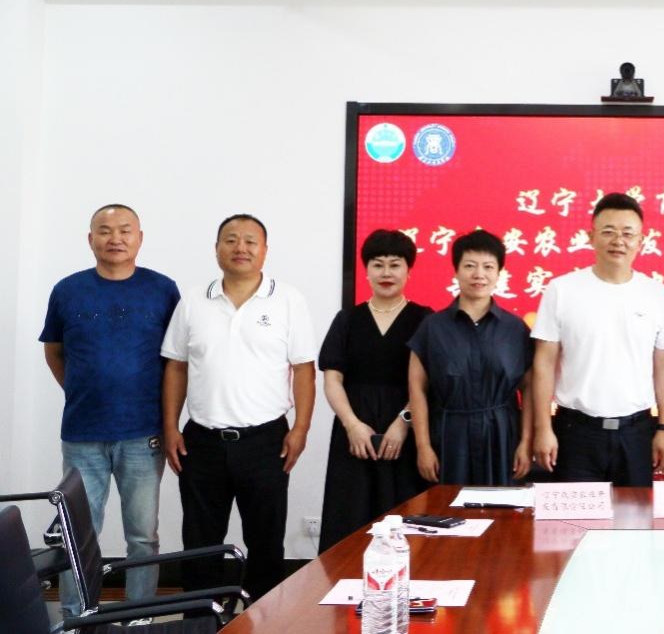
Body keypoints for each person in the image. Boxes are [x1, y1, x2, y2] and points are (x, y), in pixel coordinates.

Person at [161, 214, 316, 601]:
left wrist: (300, 429)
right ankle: (201, 622)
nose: (240, 248)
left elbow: (303, 370)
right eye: (230, 240)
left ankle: (263, 622)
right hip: (202, 441)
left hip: (266, 441)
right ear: (216, 250)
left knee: (266, 540)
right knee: (200, 542)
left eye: (250, 240)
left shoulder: (288, 300)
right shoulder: (194, 300)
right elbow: (176, 366)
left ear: (264, 251)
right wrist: (170, 428)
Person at [39, 204, 180, 616]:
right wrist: (83, 391)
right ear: (90, 239)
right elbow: (54, 352)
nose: (114, 238)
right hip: (82, 434)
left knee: (143, 535)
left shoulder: (162, 289)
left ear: (139, 238)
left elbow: (176, 361)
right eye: (104, 230)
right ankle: (76, 616)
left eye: (124, 230)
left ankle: (140, 616)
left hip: (143, 433)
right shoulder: (68, 290)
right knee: (78, 533)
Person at [531, 192, 664, 485]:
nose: (618, 241)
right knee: (576, 514)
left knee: (635, 513)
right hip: (575, 432)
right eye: (609, 232)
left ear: (641, 240)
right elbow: (544, 363)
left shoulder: (657, 294)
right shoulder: (562, 290)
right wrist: (543, 428)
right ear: (591, 237)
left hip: (636, 432)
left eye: (628, 233)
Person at [318, 229, 431, 551]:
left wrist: (404, 422)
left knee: (406, 519)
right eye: (378, 265)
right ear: (366, 270)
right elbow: (332, 379)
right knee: (349, 517)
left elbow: (429, 382)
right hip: (355, 433)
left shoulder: (425, 319)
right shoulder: (348, 319)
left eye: (395, 265)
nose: (386, 273)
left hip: (406, 433)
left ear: (408, 271)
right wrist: (352, 425)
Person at [409, 230, 533, 486]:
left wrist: (526, 441)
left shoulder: (515, 329)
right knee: (448, 506)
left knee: (501, 507)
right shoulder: (432, 327)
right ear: (456, 271)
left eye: (488, 266)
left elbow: (530, 389)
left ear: (499, 273)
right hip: (449, 437)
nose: (479, 274)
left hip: (502, 436)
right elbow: (417, 389)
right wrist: (423, 446)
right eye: (469, 266)